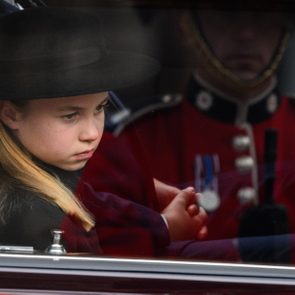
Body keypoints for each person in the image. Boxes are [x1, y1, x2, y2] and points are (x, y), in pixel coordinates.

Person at [82, 3, 295, 263]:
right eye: (227, 17)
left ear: (284, 27)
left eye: (263, 17)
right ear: (188, 27)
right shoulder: (133, 138)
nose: (246, 35)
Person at [0, 7, 208, 256]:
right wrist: (164, 227)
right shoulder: (30, 214)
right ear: (11, 115)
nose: (91, 133)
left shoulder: (50, 172)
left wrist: (153, 205)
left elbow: (94, 201)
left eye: (100, 108)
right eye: (70, 115)